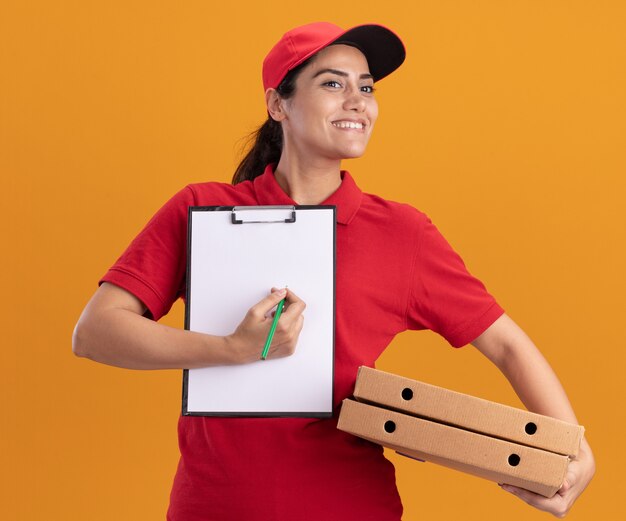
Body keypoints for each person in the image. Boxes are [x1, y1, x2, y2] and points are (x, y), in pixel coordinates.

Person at [72, 22, 595, 520]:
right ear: (279, 104)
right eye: (332, 83)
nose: (357, 102)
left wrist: (573, 449)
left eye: (366, 88)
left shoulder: (403, 233)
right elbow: (95, 332)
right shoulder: (203, 210)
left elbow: (506, 343)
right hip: (213, 508)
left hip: (350, 508)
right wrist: (233, 349)